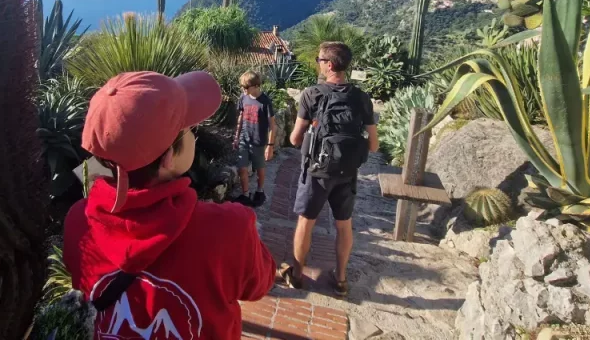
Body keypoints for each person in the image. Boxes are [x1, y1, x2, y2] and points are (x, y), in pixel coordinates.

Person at [63, 71, 276, 339]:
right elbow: (259, 284)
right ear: (166, 158)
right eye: (189, 130)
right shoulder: (229, 227)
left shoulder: (79, 222)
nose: (193, 136)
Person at [277, 41, 377, 297]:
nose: (317, 64)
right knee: (344, 226)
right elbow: (374, 145)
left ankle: (297, 275)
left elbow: (294, 139)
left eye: (319, 60)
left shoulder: (312, 94)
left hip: (317, 172)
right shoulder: (361, 97)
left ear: (329, 65)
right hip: (347, 173)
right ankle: (341, 280)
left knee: (306, 222)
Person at [232, 70, 276, 207]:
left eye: (246, 87)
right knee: (242, 168)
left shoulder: (265, 102)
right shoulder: (243, 98)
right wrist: (236, 137)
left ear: (256, 86)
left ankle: (260, 191)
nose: (243, 89)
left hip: (258, 141)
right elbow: (240, 118)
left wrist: (270, 146)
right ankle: (245, 194)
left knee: (260, 169)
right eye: (242, 87)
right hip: (244, 139)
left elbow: (273, 126)